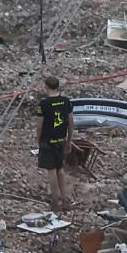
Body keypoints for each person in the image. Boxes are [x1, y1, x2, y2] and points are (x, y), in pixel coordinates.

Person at [36, 76, 75, 211]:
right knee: (60, 169)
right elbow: (71, 123)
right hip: (61, 140)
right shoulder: (66, 101)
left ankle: (55, 202)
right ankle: (65, 200)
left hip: (48, 141)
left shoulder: (44, 104)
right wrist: (69, 140)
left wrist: (38, 139)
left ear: (46, 86)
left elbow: (39, 126)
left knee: (51, 171)